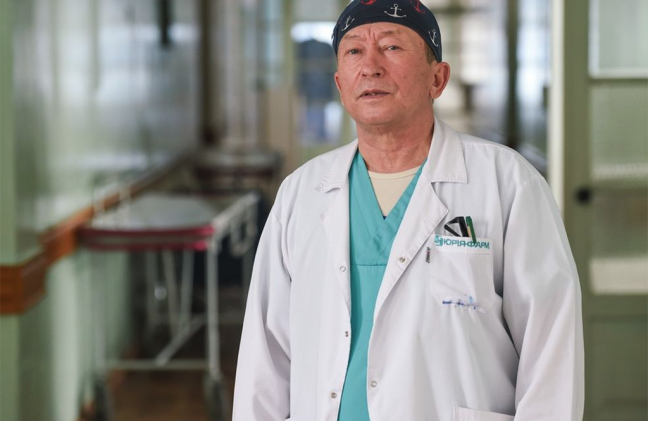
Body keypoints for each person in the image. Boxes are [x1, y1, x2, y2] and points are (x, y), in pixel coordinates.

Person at [233, 0, 584, 420]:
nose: (371, 66)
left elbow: (551, 348)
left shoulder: (508, 183)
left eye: (392, 47)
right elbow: (266, 355)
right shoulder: (301, 194)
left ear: (438, 78)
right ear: (341, 84)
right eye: (354, 51)